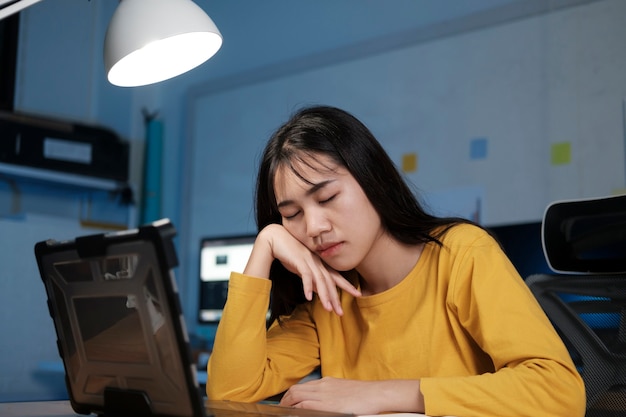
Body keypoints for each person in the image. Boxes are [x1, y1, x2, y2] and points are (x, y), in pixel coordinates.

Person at [207, 105, 586, 417]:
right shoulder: (327, 296)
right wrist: (265, 244)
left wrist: (383, 394)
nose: (314, 227)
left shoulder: (461, 254)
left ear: (372, 178)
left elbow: (559, 391)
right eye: (292, 215)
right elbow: (230, 392)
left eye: (326, 199)